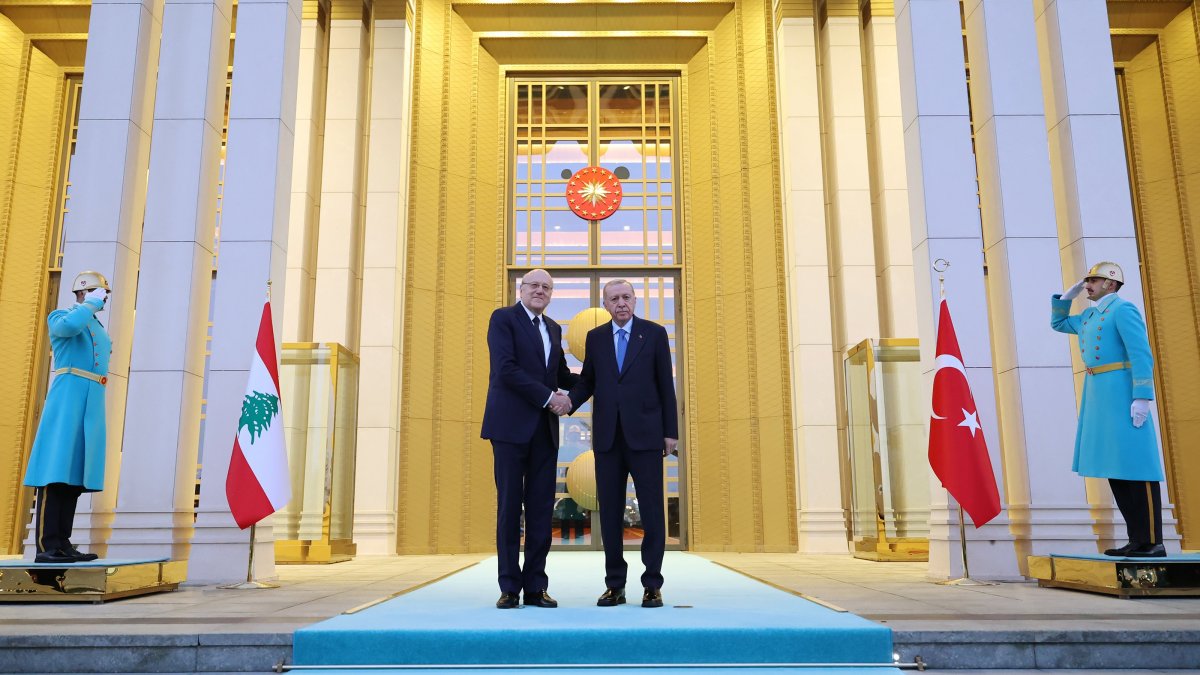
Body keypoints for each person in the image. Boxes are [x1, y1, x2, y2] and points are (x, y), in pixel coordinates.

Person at [568, 279, 678, 607]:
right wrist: (567, 402)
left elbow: (665, 386)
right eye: (614, 298)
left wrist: (670, 432)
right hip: (608, 440)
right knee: (612, 513)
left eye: (626, 297)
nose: (621, 303)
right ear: (605, 305)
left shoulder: (654, 334)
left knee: (652, 513)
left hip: (646, 438)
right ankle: (615, 585)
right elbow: (588, 381)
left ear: (635, 300)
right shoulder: (595, 338)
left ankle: (652, 584)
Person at [1051, 261, 1166, 557]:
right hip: (1098, 393)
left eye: (1094, 280)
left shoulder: (1122, 310)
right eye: (1087, 279)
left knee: (1137, 467)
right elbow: (1059, 324)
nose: (1088, 285)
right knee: (1116, 467)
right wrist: (1065, 299)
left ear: (1111, 284)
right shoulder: (1089, 315)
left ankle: (1153, 541)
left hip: (1121, 391)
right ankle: (1136, 539)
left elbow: (1141, 354)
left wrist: (1142, 395)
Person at [480, 269, 578, 608]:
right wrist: (550, 398)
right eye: (534, 285)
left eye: (546, 287)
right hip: (508, 428)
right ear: (521, 289)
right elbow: (506, 369)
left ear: (551, 295)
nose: (540, 291)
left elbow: (561, 375)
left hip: (543, 432)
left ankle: (536, 587)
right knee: (509, 507)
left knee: (539, 511)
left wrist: (598, 378)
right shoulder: (503, 319)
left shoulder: (552, 328)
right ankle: (509, 587)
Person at [23, 271, 113, 564]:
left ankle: (63, 542)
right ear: (85, 291)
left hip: (91, 399)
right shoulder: (62, 316)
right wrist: (88, 306)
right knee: (55, 470)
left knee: (74, 476)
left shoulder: (94, 323)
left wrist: (91, 310)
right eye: (100, 293)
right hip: (68, 396)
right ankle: (46, 546)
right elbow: (68, 328)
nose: (104, 299)